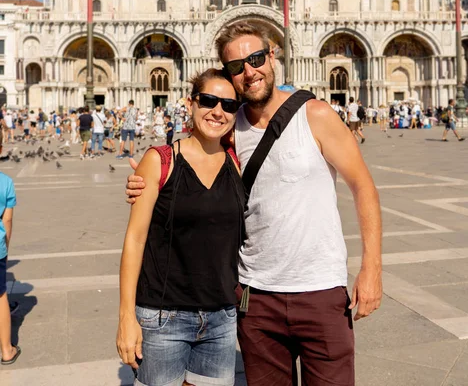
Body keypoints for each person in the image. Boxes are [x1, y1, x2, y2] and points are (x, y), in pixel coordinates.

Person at [126, 23, 382, 386]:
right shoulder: (232, 128)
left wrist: (371, 268)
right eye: (237, 66)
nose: (250, 71)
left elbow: (364, 187)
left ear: (272, 56)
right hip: (255, 299)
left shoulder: (316, 115)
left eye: (257, 58)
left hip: (320, 293)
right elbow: (195, 155)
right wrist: (147, 179)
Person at [117, 69, 244, 386]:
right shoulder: (160, 160)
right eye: (209, 101)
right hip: (163, 317)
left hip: (221, 318)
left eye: (228, 105)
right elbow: (134, 240)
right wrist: (126, 317)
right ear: (191, 103)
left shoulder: (238, 164)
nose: (218, 111)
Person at [0, 171, 21, 365]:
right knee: (0, 296)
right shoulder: (5, 182)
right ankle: (6, 350)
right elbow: (7, 220)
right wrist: (5, 244)